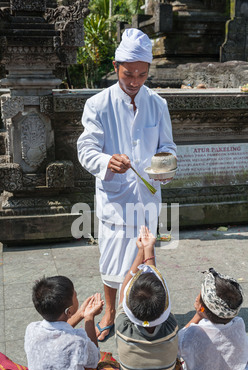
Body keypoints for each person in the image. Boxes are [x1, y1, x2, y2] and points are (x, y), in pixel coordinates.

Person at [77, 28, 177, 341]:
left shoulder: (157, 104)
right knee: (110, 257)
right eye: (128, 73)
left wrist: (164, 165)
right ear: (116, 65)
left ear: (149, 71)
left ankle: (149, 309)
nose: (134, 81)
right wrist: (107, 161)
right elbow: (86, 149)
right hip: (115, 196)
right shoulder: (98, 105)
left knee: (147, 252)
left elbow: (169, 148)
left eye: (142, 74)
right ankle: (110, 310)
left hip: (146, 195)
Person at [114, 226, 181, 370]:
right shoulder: (171, 326)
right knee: (178, 367)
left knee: (106, 367)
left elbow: (125, 288)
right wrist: (150, 250)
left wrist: (141, 253)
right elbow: (156, 288)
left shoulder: (122, 326)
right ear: (164, 308)